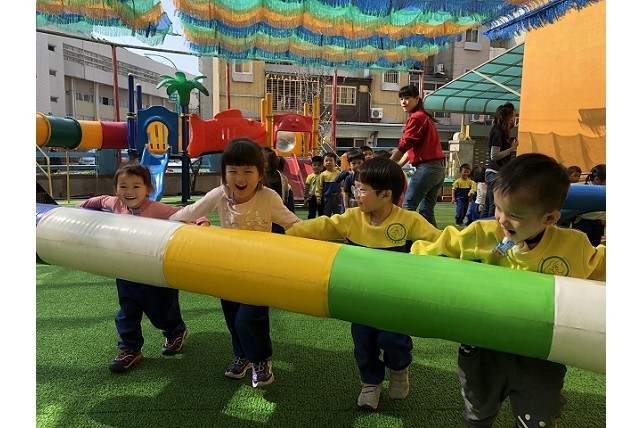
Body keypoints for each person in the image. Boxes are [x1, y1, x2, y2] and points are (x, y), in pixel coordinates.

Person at [411, 153, 606, 427]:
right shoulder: (481, 233)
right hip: (484, 348)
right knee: (478, 411)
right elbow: (433, 250)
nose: (502, 219)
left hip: (541, 353)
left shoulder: (574, 246)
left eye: (514, 215)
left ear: (550, 217)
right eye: (499, 208)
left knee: (538, 416)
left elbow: (603, 266)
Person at [286, 157, 441, 411]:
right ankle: (370, 383)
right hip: (360, 298)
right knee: (363, 343)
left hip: (395, 299)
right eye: (355, 188)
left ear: (386, 194)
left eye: (362, 190)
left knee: (394, 340)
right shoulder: (352, 218)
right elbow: (322, 227)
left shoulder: (409, 221)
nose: (356, 195)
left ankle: (399, 369)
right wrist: (287, 234)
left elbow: (438, 242)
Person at [169, 138, 301, 388]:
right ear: (225, 173)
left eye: (248, 171)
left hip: (258, 270)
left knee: (250, 318)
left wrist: (317, 237)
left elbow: (293, 224)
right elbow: (189, 213)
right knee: (233, 317)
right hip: (228, 269)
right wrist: (164, 227)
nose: (240, 178)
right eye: (233, 171)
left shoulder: (268, 197)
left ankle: (261, 359)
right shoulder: (221, 194)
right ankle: (242, 355)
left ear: (260, 174)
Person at [77, 163, 211, 373]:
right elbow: (101, 200)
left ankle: (175, 331)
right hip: (126, 270)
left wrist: (201, 222)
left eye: (136, 186)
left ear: (148, 189)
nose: (129, 191)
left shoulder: (155, 208)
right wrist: (79, 209)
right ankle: (129, 348)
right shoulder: (115, 203)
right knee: (127, 311)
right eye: (123, 186)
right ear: (116, 188)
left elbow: (182, 213)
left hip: (155, 271)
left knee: (162, 311)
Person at [390, 84, 445, 228]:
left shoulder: (417, 117)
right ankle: (435, 239)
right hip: (437, 169)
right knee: (427, 211)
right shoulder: (424, 117)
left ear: (417, 99)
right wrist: (397, 165)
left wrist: (389, 164)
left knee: (408, 206)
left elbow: (405, 144)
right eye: (401, 99)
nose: (403, 102)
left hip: (427, 168)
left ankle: (404, 238)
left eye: (407, 98)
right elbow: (411, 149)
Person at [480, 103, 519, 219]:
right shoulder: (498, 132)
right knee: (494, 206)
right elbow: (494, 155)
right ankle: (489, 227)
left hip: (494, 173)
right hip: (494, 173)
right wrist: (512, 149)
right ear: (507, 117)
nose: (514, 119)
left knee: (488, 206)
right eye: (512, 116)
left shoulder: (499, 131)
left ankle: (479, 226)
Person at [571, 163, 606, 246]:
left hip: (598, 223)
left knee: (593, 246)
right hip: (582, 222)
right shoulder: (585, 189)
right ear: (597, 179)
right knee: (579, 245)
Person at [262, 147, 295, 234]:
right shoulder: (262, 175)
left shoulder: (275, 176)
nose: (260, 163)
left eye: (263, 161)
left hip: (274, 210)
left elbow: (284, 196)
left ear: (271, 162)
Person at [315, 152, 342, 216]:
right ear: (323, 163)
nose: (328, 162)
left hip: (337, 197)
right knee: (326, 214)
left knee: (337, 214)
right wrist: (318, 196)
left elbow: (341, 184)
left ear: (335, 162)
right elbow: (319, 187)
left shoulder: (338, 173)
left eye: (331, 160)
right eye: (326, 161)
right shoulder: (322, 175)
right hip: (327, 198)